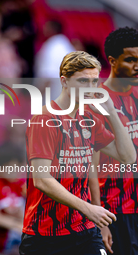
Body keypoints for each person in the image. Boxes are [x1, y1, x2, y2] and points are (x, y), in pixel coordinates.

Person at [20, 51, 136, 255]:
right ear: (64, 81)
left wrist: (111, 113)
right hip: (45, 235)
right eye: (83, 81)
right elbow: (42, 180)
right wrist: (89, 208)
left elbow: (128, 157)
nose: (90, 89)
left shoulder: (89, 118)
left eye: (94, 82)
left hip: (84, 230)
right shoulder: (44, 119)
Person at [90, 27, 138, 255]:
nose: (137, 66)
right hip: (115, 210)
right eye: (130, 60)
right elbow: (89, 166)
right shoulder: (96, 103)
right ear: (112, 61)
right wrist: (101, 220)